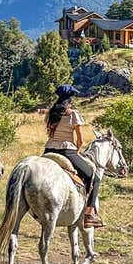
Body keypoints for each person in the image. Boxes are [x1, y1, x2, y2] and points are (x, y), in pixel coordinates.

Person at [43, 84, 104, 228]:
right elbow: (80, 140)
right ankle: (89, 214)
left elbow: (49, 133)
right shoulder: (73, 114)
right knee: (94, 178)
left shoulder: (51, 113)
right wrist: (77, 151)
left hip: (48, 150)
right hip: (66, 151)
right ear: (70, 99)